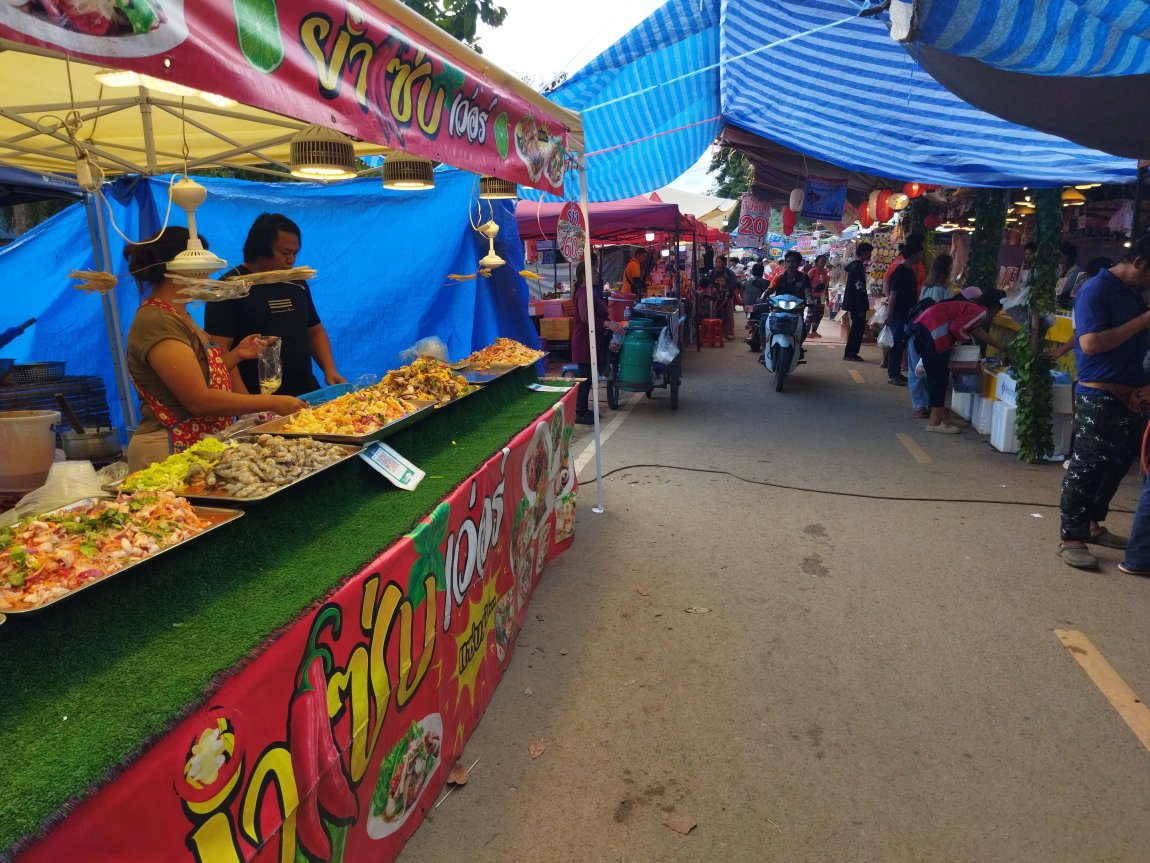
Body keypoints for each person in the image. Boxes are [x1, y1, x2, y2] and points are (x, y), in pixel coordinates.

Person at [125, 227, 307, 471]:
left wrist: (235, 356)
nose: (210, 277)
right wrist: (270, 403)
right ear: (181, 267)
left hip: (196, 445)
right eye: (204, 268)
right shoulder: (157, 320)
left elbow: (195, 376)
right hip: (165, 451)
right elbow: (198, 400)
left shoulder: (180, 315)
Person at [1057, 233, 1150, 571]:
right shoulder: (1096, 290)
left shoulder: (1134, 293)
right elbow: (1092, 344)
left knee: (1116, 466)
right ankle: (1071, 536)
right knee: (1087, 466)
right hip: (1099, 394)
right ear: (1139, 263)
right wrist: (1144, 319)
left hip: (1133, 395)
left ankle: (1093, 523)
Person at [205, 213, 344, 397]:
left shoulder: (296, 282)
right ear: (260, 249)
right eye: (285, 253)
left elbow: (314, 331)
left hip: (307, 392)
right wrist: (246, 403)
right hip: (260, 399)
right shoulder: (228, 288)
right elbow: (221, 350)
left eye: (295, 253)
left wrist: (330, 370)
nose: (291, 260)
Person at [910, 289, 1007, 433]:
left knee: (934, 377)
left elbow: (977, 331)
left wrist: (1000, 346)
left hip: (924, 327)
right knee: (939, 379)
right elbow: (957, 328)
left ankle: (942, 416)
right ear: (995, 307)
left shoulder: (973, 307)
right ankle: (935, 423)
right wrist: (965, 341)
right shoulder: (981, 312)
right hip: (934, 333)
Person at [906, 254, 955, 417]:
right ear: (947, 268)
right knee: (932, 369)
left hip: (919, 328)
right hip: (937, 332)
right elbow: (949, 310)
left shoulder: (926, 285)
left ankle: (919, 405)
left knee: (916, 368)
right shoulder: (947, 286)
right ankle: (930, 404)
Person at [571, 261, 616, 425]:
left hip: (589, 341)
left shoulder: (588, 292)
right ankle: (579, 413)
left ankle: (583, 409)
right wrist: (607, 324)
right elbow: (585, 318)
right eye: (594, 273)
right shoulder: (583, 293)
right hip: (584, 342)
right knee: (585, 378)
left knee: (588, 378)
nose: (597, 275)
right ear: (585, 276)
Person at [885, 233, 925, 387]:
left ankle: (895, 372)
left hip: (907, 314)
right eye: (920, 253)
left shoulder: (910, 271)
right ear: (914, 254)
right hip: (898, 314)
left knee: (901, 343)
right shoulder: (900, 271)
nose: (921, 256)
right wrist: (890, 314)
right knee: (896, 344)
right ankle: (892, 374)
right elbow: (893, 295)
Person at [841, 243, 873, 361]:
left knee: (856, 328)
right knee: (857, 329)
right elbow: (859, 289)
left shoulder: (856, 266)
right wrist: (860, 307)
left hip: (854, 303)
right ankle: (851, 353)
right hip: (857, 304)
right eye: (869, 252)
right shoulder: (858, 267)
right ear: (863, 253)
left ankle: (851, 352)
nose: (870, 255)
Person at [742, 262, 771, 351]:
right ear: (762, 272)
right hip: (760, 308)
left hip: (747, 308)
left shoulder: (746, 282)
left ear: (752, 272)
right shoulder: (766, 282)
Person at [709, 255, 740, 338]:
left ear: (724, 263)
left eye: (720, 262)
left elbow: (734, 283)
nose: (718, 264)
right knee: (716, 314)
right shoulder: (713, 272)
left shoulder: (729, 272)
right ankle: (717, 332)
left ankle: (728, 332)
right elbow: (710, 282)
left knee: (728, 314)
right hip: (716, 297)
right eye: (717, 262)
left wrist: (726, 290)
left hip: (727, 297)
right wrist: (713, 288)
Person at [805, 253, 830, 338]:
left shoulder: (826, 272)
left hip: (822, 297)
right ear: (817, 262)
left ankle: (814, 331)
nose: (823, 263)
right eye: (821, 261)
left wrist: (827, 298)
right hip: (813, 296)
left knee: (819, 314)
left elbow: (826, 285)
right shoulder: (813, 271)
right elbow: (806, 283)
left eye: (824, 261)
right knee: (811, 314)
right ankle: (806, 331)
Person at [1056, 242, 1084, 309]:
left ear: (1067, 257)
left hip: (1069, 307)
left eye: (1059, 255)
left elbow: (1059, 290)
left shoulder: (1076, 270)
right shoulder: (1060, 267)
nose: (1056, 257)